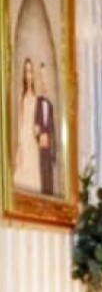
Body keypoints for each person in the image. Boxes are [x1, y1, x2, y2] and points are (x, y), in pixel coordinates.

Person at [13, 58, 41, 192]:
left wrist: (38, 131)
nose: (28, 75)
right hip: (24, 138)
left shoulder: (37, 97)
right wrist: (18, 147)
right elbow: (20, 121)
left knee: (33, 172)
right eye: (26, 72)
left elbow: (40, 121)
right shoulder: (22, 97)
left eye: (30, 71)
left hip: (32, 140)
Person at [35, 63, 57, 196]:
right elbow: (35, 125)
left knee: (49, 172)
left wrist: (54, 151)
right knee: (41, 172)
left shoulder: (50, 105)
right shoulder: (37, 103)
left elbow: (53, 129)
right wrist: (39, 137)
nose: (44, 84)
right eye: (41, 79)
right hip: (40, 146)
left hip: (49, 146)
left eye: (46, 80)